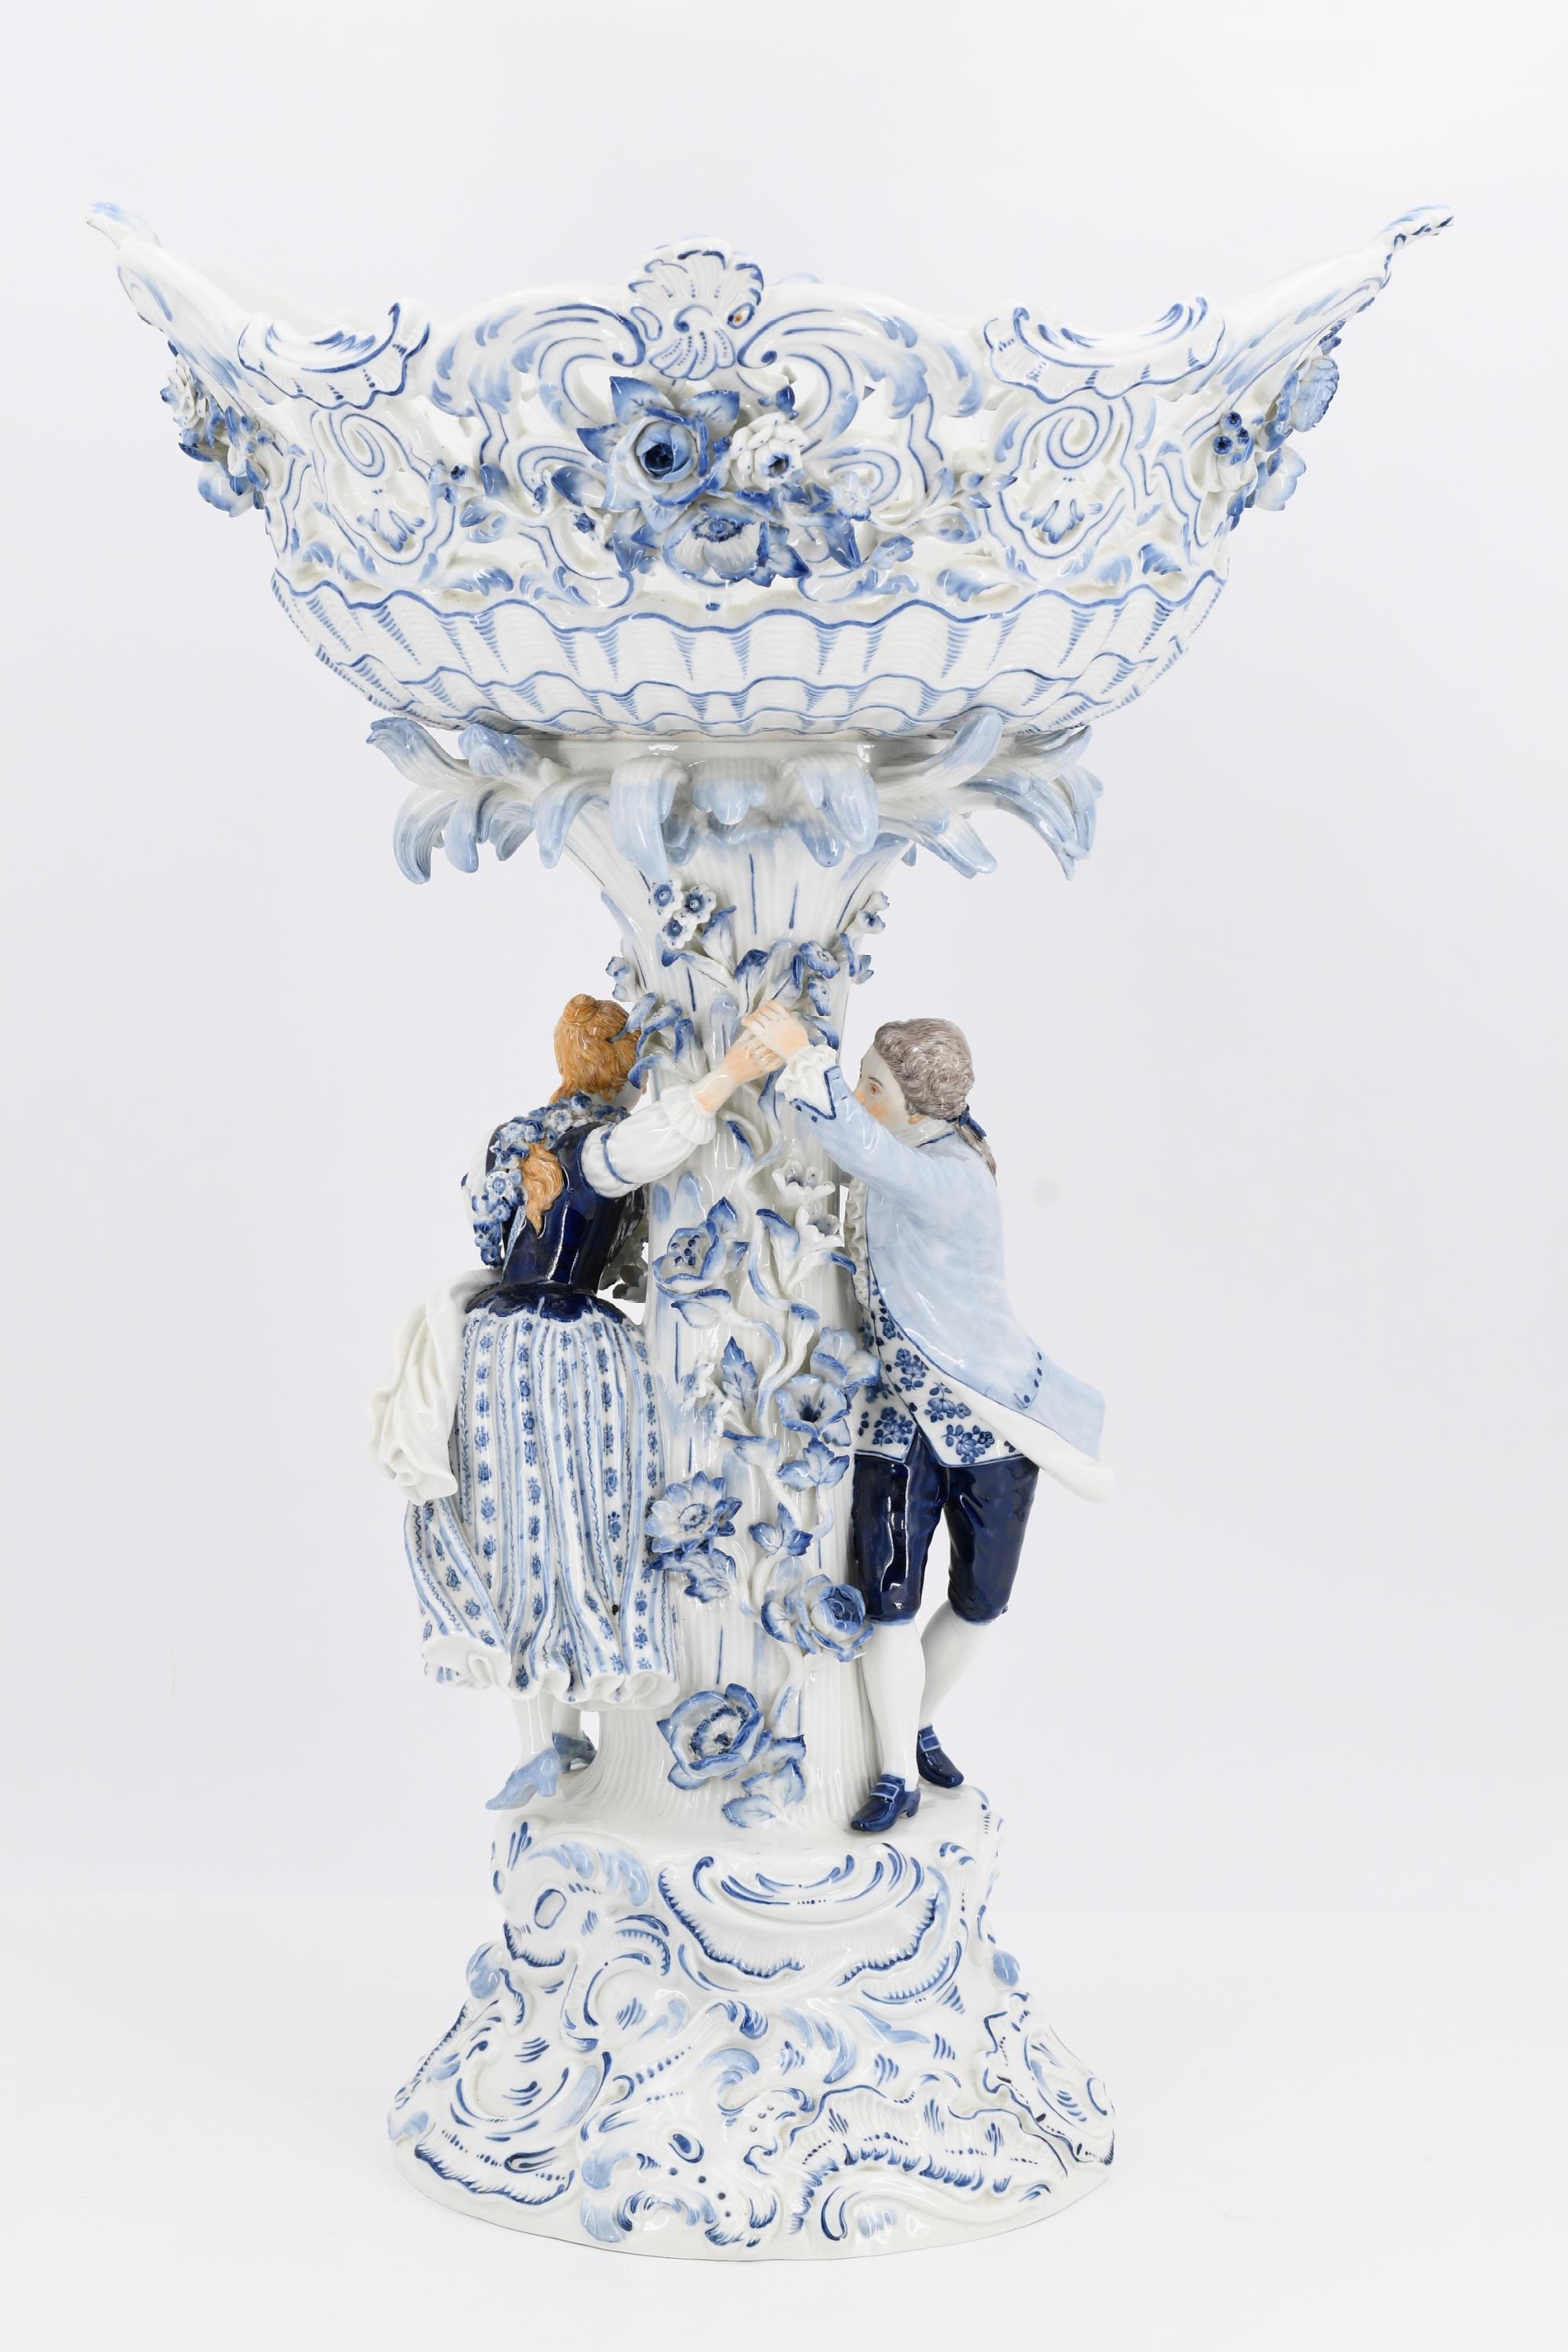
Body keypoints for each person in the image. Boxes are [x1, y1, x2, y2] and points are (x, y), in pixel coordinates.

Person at [372, 993, 777, 1786]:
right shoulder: (588, 1143)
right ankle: (545, 1742)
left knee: (527, 1531)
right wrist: (732, 1070)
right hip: (556, 1346)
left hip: (499, 1339)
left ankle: (545, 1741)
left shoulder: (517, 1135)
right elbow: (656, 1140)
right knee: (568, 1526)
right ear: (622, 1064)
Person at [744, 1002, 1109, 1833]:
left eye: (873, 1088)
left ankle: (915, 1722)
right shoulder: (900, 1156)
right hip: (893, 1419)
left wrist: (806, 1063)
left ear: (918, 1105)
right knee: (887, 1604)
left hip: (988, 1423)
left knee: (979, 1603)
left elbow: (868, 1152)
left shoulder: (948, 1175)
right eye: (860, 1084)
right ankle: (893, 1774)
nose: (862, 1100)